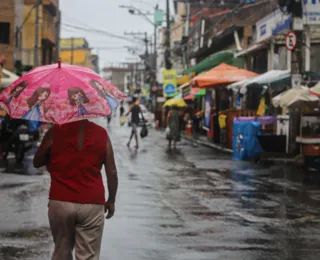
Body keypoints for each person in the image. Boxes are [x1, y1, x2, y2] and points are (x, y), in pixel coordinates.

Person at [33, 119, 118, 260]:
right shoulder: (101, 133)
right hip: (92, 203)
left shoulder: (55, 131)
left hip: (60, 201)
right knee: (88, 255)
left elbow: (37, 162)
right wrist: (111, 200)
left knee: (61, 251)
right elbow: (112, 171)